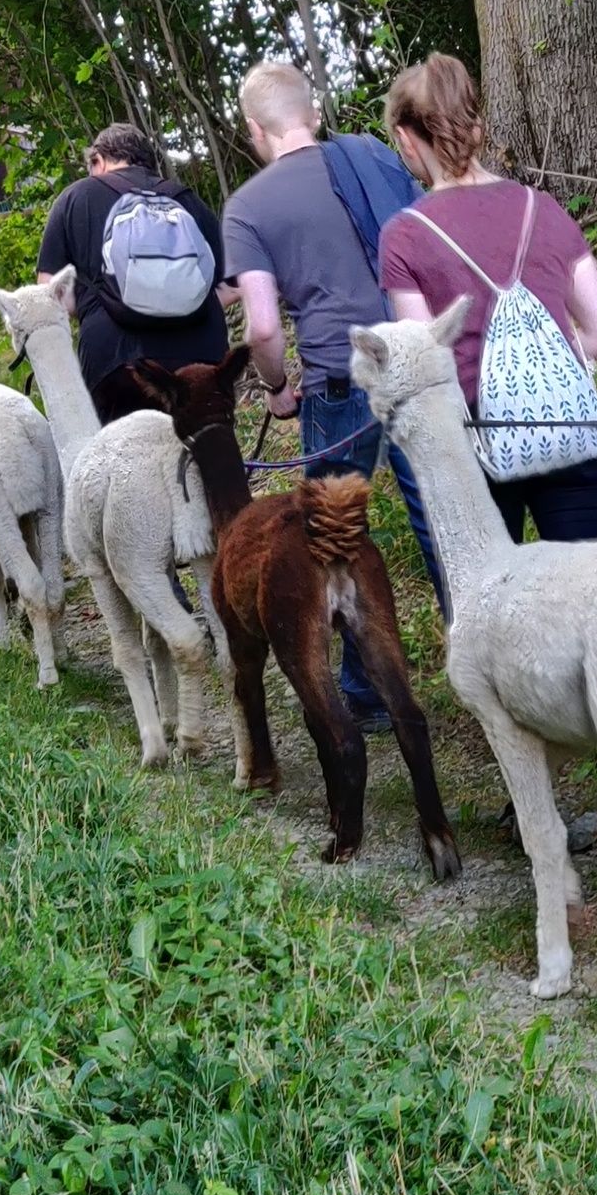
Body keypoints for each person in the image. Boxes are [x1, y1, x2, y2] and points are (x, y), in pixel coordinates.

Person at [223, 59, 444, 729]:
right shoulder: (370, 157)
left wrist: (276, 386)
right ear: (314, 113)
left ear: (255, 130)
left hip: (338, 384)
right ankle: (488, 661)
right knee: (441, 518)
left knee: (337, 541)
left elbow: (264, 327)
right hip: (412, 364)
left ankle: (366, 693)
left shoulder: (248, 208)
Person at [374, 53, 597, 544]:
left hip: (477, 449)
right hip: (569, 431)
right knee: (584, 584)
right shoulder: (543, 207)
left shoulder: (404, 235)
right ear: (474, 123)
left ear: (405, 138)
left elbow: (425, 368)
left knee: (497, 591)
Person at [36, 123, 230, 419]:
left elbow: (50, 293)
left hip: (116, 361)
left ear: (98, 160)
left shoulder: (76, 197)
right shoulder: (186, 199)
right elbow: (231, 284)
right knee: (202, 446)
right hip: (201, 357)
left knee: (126, 448)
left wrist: (92, 304)